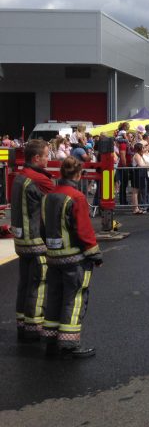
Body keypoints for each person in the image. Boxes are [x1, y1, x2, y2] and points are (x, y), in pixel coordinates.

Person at [40, 156, 102, 359]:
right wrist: (95, 254)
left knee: (54, 297)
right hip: (73, 258)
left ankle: (50, 340)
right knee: (74, 299)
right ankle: (69, 344)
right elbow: (83, 230)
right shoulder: (76, 197)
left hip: (53, 257)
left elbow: (42, 227)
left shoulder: (48, 197)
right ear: (79, 174)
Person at [10, 139, 55, 343]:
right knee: (38, 284)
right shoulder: (40, 180)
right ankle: (34, 326)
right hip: (36, 240)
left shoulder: (20, 177)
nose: (49, 158)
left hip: (21, 241)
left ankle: (22, 323)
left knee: (25, 283)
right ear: (36, 158)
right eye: (46, 155)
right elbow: (57, 205)